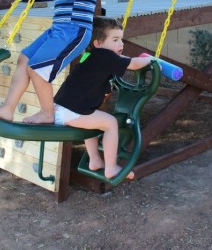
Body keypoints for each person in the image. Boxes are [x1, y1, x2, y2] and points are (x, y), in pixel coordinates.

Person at [52, 17, 153, 181]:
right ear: (98, 43)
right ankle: (111, 168)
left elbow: (118, 63)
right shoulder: (104, 55)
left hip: (62, 108)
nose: (121, 44)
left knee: (91, 123)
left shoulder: (91, 56)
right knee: (110, 123)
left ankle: (95, 160)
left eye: (121, 39)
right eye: (115, 40)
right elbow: (134, 64)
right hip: (71, 111)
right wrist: (150, 60)